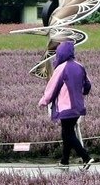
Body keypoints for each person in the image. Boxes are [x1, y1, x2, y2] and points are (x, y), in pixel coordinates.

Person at [38, 40, 94, 168]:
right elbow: (88, 85)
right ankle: (65, 160)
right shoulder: (80, 66)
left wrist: (44, 101)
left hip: (65, 107)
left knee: (68, 133)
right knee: (66, 133)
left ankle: (86, 157)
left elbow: (52, 87)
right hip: (78, 107)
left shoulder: (61, 68)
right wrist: (82, 93)